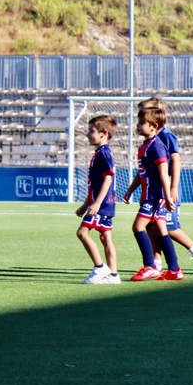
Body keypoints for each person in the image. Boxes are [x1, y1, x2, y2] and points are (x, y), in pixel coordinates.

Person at [137, 98, 193, 274]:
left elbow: (175, 161)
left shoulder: (167, 136)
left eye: (145, 113)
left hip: (167, 189)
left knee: (170, 227)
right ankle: (156, 263)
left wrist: (173, 188)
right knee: (152, 225)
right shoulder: (149, 139)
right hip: (155, 190)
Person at [123, 108, 181, 281]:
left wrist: (169, 196)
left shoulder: (156, 146)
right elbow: (142, 173)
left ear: (154, 126)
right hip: (151, 196)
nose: (138, 125)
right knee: (161, 230)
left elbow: (164, 173)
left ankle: (150, 266)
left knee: (138, 227)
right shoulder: (145, 146)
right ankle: (175, 269)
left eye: (142, 123)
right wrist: (130, 190)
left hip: (154, 197)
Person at [75, 114, 120, 284]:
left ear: (103, 133)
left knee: (82, 232)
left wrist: (96, 203)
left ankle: (100, 268)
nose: (87, 134)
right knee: (106, 237)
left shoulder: (104, 154)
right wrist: (85, 205)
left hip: (102, 204)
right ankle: (114, 275)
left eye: (91, 131)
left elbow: (108, 179)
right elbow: (95, 185)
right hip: (106, 204)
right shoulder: (100, 153)